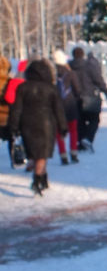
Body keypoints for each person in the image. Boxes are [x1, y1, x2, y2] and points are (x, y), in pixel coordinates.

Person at [8, 59, 67, 195]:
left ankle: (42, 177)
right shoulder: (51, 88)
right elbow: (58, 109)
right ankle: (38, 179)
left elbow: (17, 109)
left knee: (35, 153)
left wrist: (14, 126)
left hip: (27, 124)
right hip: (46, 124)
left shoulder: (22, 88)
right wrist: (62, 126)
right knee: (42, 154)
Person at [70, 45, 107, 151]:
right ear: (83, 55)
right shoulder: (89, 66)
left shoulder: (69, 67)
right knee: (94, 119)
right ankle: (87, 138)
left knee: (80, 121)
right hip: (90, 97)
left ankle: (81, 141)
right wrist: (106, 91)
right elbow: (98, 80)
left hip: (75, 99)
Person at [52, 49, 82, 164]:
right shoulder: (70, 73)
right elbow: (77, 90)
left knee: (59, 132)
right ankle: (73, 153)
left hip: (56, 106)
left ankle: (63, 155)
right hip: (70, 105)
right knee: (73, 130)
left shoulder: (52, 74)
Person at [0, 54, 26, 165]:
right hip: (6, 115)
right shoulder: (10, 82)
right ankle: (14, 159)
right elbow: (11, 99)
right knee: (12, 137)